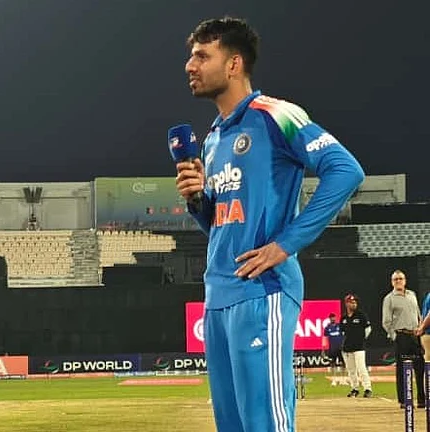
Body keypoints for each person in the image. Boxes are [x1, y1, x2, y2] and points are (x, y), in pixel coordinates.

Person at [174, 17, 364, 431]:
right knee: (235, 425)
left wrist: (286, 244)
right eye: (191, 56)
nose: (190, 65)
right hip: (219, 294)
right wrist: (197, 202)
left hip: (264, 291)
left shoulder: (275, 114)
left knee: (265, 424)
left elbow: (346, 171)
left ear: (233, 64)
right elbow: (224, 225)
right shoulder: (212, 140)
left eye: (202, 56)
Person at [384, 270, 425, 408]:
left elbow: (418, 314)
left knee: (420, 368)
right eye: (395, 279)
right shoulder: (389, 298)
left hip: (415, 336)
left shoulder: (411, 294)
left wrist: (420, 328)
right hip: (401, 336)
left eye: (400, 279)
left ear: (405, 280)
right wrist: (395, 336)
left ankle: (421, 400)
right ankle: (404, 401)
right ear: (392, 282)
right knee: (401, 369)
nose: (398, 281)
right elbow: (386, 321)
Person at [340, 294, 372, 398]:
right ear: (346, 304)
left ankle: (367, 388)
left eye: (355, 302)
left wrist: (361, 339)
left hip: (359, 347)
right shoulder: (343, 318)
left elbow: (368, 329)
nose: (354, 304)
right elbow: (342, 332)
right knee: (351, 370)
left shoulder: (361, 315)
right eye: (351, 302)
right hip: (347, 348)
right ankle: (354, 388)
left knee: (361, 368)